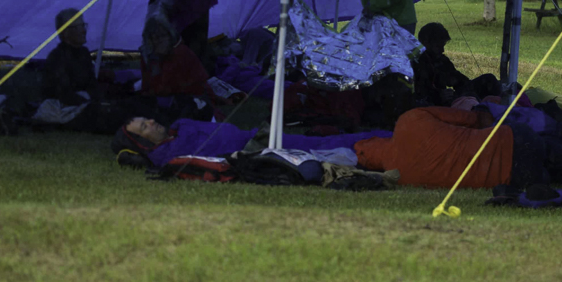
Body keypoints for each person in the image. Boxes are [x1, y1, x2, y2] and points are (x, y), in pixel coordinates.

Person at [354, 106, 562, 190]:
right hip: (513, 141)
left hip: (516, 179)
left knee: (551, 173)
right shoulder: (410, 119)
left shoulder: (403, 178)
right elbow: (475, 119)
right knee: (548, 150)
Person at [110, 116, 391, 169]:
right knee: (322, 147)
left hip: (253, 136)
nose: (152, 122)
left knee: (322, 141)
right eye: (144, 126)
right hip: (256, 150)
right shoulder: (167, 155)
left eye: (147, 119)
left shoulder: (179, 127)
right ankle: (387, 143)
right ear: (142, 142)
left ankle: (387, 136)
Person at [42, 8, 101, 105]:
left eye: (83, 25)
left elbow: (93, 85)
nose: (84, 31)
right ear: (65, 32)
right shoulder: (57, 58)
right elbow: (63, 94)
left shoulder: (84, 53)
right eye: (78, 27)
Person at [412, 23, 471, 106]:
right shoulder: (414, 63)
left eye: (443, 46)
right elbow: (417, 93)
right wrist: (439, 96)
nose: (442, 50)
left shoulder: (441, 60)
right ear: (425, 43)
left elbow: (459, 80)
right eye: (438, 46)